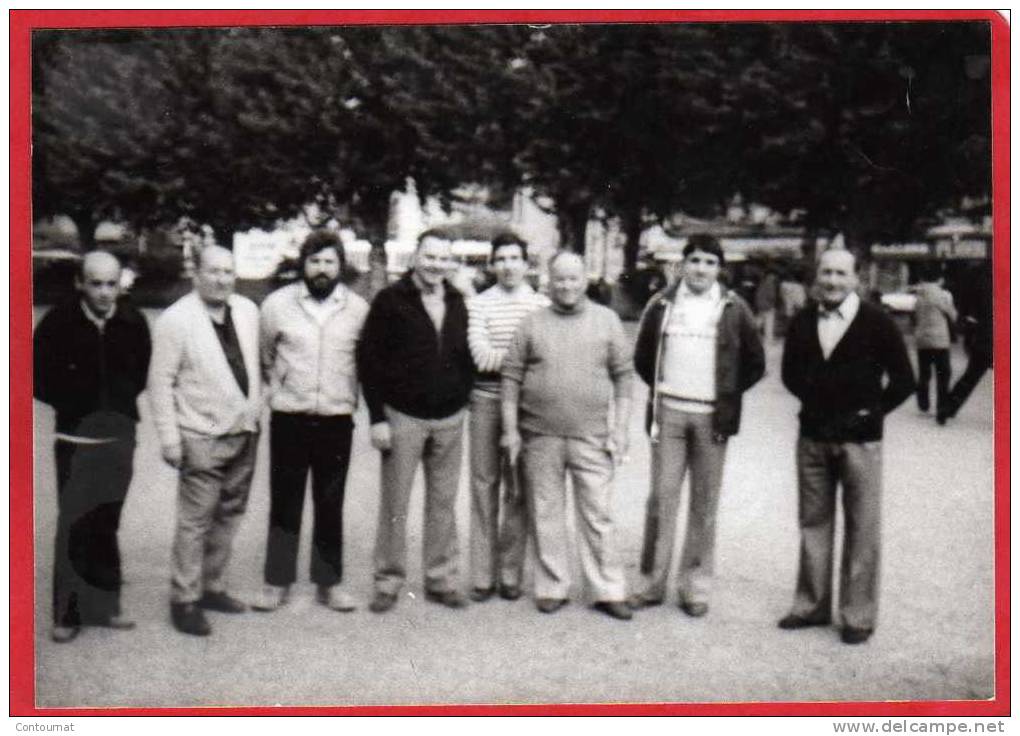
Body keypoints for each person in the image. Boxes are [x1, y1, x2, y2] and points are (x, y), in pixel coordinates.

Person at [778, 249, 914, 645]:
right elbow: (790, 374)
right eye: (826, 273)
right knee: (813, 523)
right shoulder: (804, 320)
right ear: (816, 277)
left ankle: (857, 615)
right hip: (814, 439)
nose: (833, 281)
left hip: (861, 442)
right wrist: (819, 405)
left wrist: (870, 414)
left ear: (856, 278)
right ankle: (811, 605)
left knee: (862, 527)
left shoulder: (878, 322)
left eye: (841, 273)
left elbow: (904, 380)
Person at [628, 234, 765, 617]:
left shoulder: (734, 308)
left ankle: (695, 587)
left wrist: (725, 395)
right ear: (682, 265)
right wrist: (666, 391)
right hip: (669, 413)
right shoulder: (663, 305)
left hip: (711, 418)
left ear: (719, 269)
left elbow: (755, 363)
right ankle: (652, 583)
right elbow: (643, 358)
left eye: (709, 262)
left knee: (704, 503)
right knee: (660, 499)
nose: (701, 269)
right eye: (695, 261)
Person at [501, 251, 634, 621]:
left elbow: (624, 376)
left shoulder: (607, 321)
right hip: (539, 435)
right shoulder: (531, 323)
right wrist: (511, 430)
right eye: (559, 278)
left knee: (598, 514)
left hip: (592, 436)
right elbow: (511, 377)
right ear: (548, 280)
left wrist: (620, 428)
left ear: (585, 280)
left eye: (573, 278)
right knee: (546, 512)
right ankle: (552, 585)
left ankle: (608, 589)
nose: (566, 286)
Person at [33, 251, 152, 643]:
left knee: (106, 520)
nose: (104, 292)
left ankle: (104, 605)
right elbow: (38, 377)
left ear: (121, 285)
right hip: (76, 437)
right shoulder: (58, 323)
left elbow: (141, 373)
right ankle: (67, 613)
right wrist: (77, 404)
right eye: (96, 283)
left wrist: (115, 408)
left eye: (111, 284)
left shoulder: (132, 323)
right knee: (74, 523)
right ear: (80, 284)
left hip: (119, 438)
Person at [357, 230, 476, 614]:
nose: (436, 264)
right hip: (403, 417)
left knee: (443, 504)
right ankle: (388, 581)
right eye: (430, 256)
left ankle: (441, 580)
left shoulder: (459, 301)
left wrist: (462, 397)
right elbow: (369, 361)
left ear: (450, 263)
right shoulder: (391, 300)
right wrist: (377, 418)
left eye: (443, 258)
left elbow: (464, 355)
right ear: (415, 257)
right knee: (396, 504)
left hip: (449, 419)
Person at [252, 231, 370, 613]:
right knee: (285, 502)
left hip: (336, 418)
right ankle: (276, 582)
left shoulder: (357, 309)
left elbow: (363, 360)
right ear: (303, 264)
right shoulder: (276, 306)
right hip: (290, 416)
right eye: (315, 261)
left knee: (330, 503)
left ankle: (328, 583)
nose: (322, 269)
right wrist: (283, 389)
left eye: (329, 262)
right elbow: (266, 356)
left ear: (341, 266)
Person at [148, 245, 262, 637]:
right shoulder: (176, 320)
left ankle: (212, 587)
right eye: (213, 271)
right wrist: (169, 439)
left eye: (228, 271)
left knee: (229, 514)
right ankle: (184, 599)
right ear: (195, 273)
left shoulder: (247, 311)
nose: (222, 279)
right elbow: (160, 382)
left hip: (244, 431)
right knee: (195, 522)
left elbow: (256, 364)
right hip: (199, 436)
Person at [465, 233, 549, 603]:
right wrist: (522, 362)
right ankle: (483, 575)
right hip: (485, 400)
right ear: (491, 264)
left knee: (518, 488)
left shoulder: (541, 306)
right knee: (484, 484)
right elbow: (480, 357)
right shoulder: (478, 305)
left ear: (526, 263)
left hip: (528, 406)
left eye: (515, 258)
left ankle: (511, 572)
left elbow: (547, 356)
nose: (508, 265)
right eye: (500, 259)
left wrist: (515, 364)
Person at [941, 262, 993, 424]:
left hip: (983, 333)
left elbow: (964, 307)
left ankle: (947, 408)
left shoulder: (978, 274)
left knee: (971, 374)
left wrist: (969, 327)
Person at [912, 265, 958, 423]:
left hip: (922, 340)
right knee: (943, 375)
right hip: (939, 341)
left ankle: (923, 405)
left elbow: (915, 315)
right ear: (940, 279)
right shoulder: (943, 295)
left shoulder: (919, 294)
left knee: (924, 374)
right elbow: (952, 315)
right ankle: (941, 409)